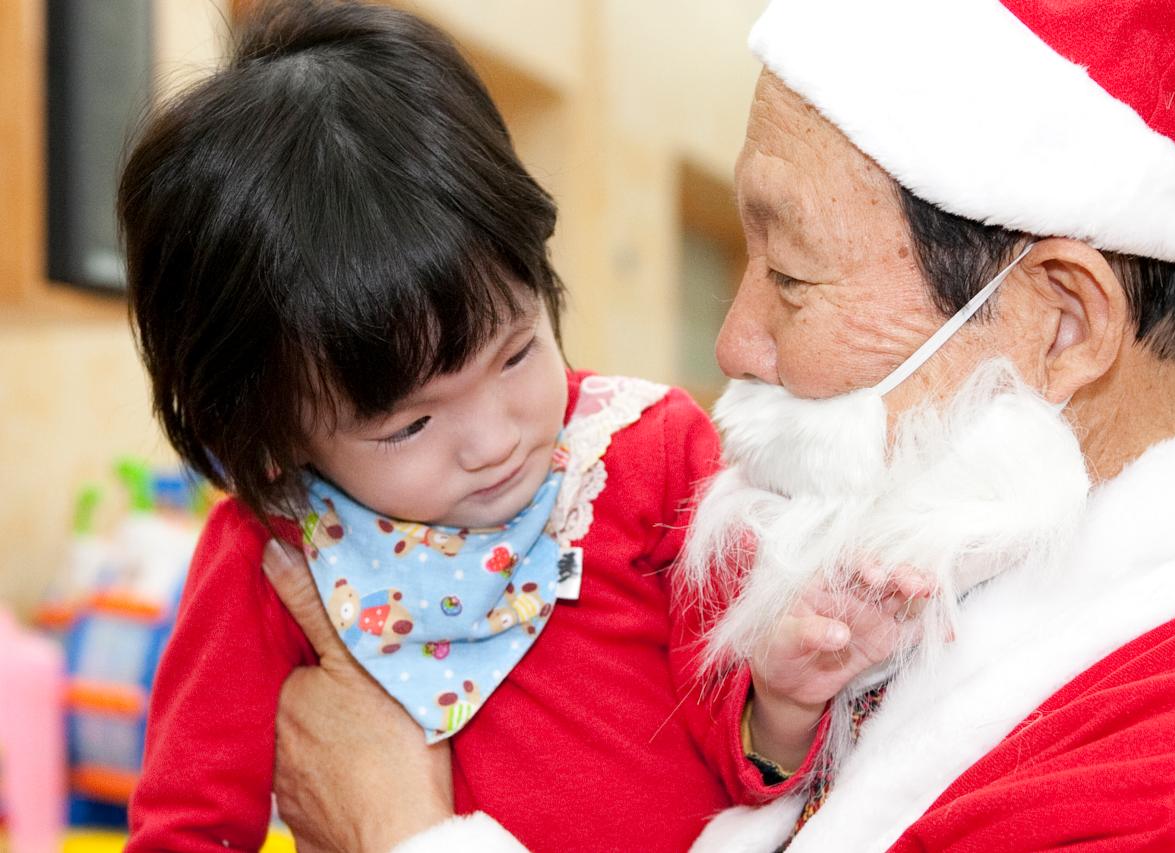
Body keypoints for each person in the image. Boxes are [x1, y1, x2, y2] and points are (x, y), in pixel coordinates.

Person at [265, 0, 1175, 850]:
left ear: (1061, 323)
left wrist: (401, 827)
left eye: (791, 278)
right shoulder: (927, 552)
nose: (736, 341)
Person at [118, 3, 816, 851]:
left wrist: (780, 702)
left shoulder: (646, 450)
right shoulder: (274, 551)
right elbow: (189, 824)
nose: (493, 441)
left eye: (517, 354)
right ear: (277, 436)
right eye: (408, 426)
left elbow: (739, 724)